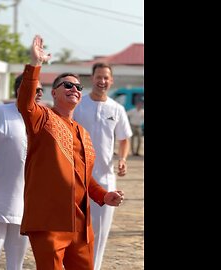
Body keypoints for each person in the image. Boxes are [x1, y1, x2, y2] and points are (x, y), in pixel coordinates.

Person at [17, 35, 125, 270]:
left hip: (81, 224)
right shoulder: (42, 119)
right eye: (67, 85)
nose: (74, 89)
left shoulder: (83, 134)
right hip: (49, 221)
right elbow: (25, 103)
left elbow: (84, 178)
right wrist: (35, 64)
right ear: (53, 93)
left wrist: (103, 195)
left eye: (78, 87)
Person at [73, 62, 133, 270]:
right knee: (74, 231)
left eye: (106, 77)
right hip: (77, 177)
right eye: (99, 77)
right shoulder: (79, 105)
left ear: (112, 80)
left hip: (105, 179)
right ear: (92, 78)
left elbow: (124, 138)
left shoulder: (116, 109)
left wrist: (122, 159)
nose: (102, 81)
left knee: (99, 233)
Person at [0, 74, 45, 270]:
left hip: (26, 206)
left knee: (16, 264)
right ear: (21, 89)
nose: (40, 93)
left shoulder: (43, 120)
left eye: (41, 90)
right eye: (36, 89)